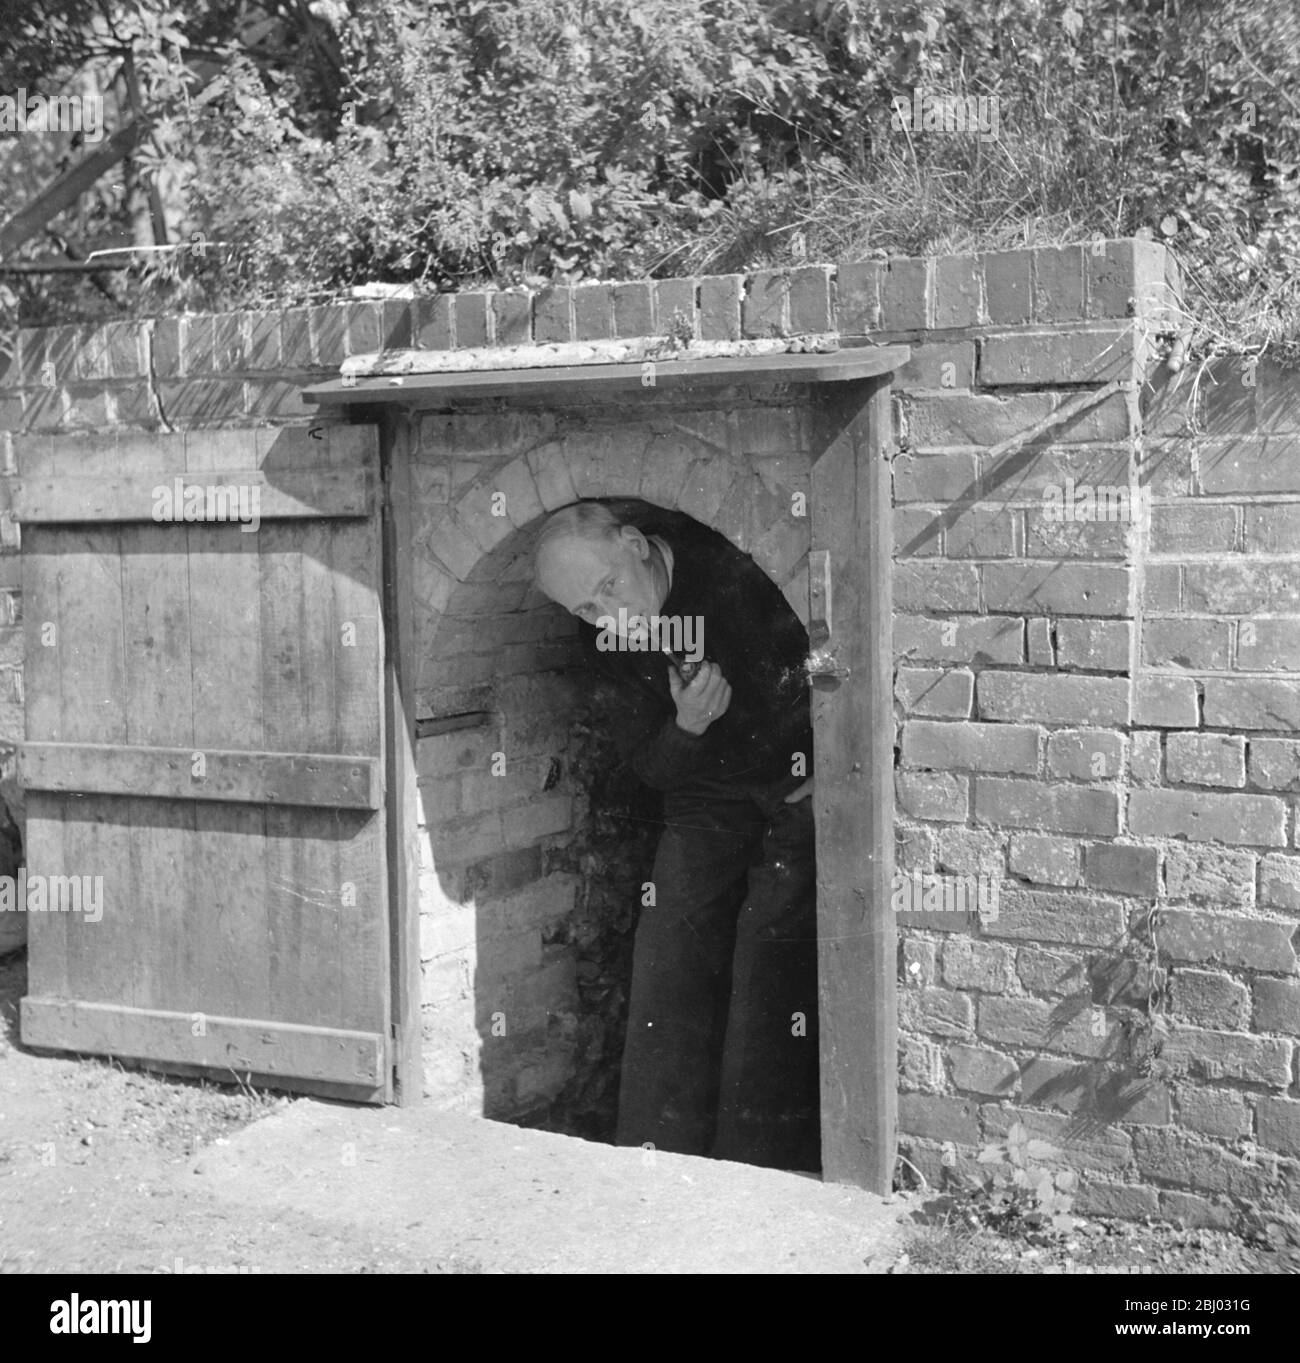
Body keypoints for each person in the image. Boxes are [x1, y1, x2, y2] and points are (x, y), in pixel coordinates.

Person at [532, 497, 820, 1172]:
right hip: (708, 796)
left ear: (636, 543)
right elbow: (650, 770)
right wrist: (686, 726)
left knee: (767, 950)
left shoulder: (733, 570)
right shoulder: (603, 640)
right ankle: (655, 1165)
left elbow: (835, 664)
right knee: (668, 946)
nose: (611, 616)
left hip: (799, 782)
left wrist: (836, 768)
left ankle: (758, 1167)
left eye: (610, 588)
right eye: (586, 609)